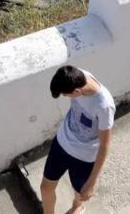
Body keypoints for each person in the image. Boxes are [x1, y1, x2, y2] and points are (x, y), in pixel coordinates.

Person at [41, 66, 115, 214]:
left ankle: (77, 207)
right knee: (45, 188)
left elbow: (105, 145)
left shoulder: (104, 106)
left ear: (77, 92)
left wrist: (91, 183)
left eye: (65, 95)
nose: (65, 96)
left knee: (80, 193)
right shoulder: (77, 75)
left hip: (84, 157)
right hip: (62, 143)